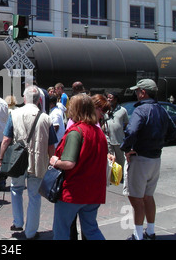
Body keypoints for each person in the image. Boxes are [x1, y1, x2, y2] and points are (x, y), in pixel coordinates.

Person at [120, 79, 176, 240]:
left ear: (143, 92)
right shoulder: (161, 109)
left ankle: (138, 235)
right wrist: (159, 142)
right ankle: (150, 231)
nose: (136, 93)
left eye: (137, 91)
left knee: (136, 198)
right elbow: (172, 131)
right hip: (155, 158)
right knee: (148, 196)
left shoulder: (141, 110)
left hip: (140, 158)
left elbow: (131, 131)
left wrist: (126, 149)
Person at [0, 86, 57, 239]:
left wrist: (1, 158)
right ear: (39, 100)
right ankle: (31, 232)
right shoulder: (46, 118)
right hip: (37, 162)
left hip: (17, 160)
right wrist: (53, 163)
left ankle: (18, 221)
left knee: (16, 189)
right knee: (34, 196)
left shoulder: (14, 114)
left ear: (24, 99)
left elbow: (6, 139)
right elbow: (51, 145)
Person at [50, 93, 108, 240]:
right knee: (91, 229)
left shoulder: (77, 132)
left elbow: (69, 163)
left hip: (74, 191)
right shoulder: (98, 132)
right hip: (94, 191)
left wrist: (55, 162)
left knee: (61, 231)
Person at [105, 92, 129, 175]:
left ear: (115, 99)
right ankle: (110, 175)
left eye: (110, 98)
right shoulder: (106, 110)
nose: (108, 99)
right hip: (108, 138)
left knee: (120, 158)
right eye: (107, 98)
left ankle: (120, 175)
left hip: (118, 138)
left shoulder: (122, 110)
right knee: (109, 158)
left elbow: (126, 123)